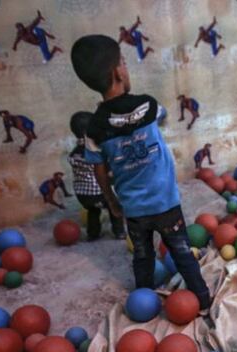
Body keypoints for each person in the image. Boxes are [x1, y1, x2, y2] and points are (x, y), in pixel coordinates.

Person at [71, 34, 211, 311]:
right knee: (181, 252)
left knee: (143, 254)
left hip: (134, 209)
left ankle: (144, 298)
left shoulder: (95, 128)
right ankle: (204, 300)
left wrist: (111, 200)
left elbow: (98, 168)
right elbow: (164, 115)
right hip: (166, 202)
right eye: (124, 61)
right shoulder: (147, 105)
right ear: (118, 72)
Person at [68, 111, 125, 240]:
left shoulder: (74, 153)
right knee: (114, 207)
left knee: (93, 211)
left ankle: (92, 234)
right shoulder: (96, 150)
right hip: (98, 193)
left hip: (82, 195)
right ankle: (119, 231)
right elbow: (106, 172)